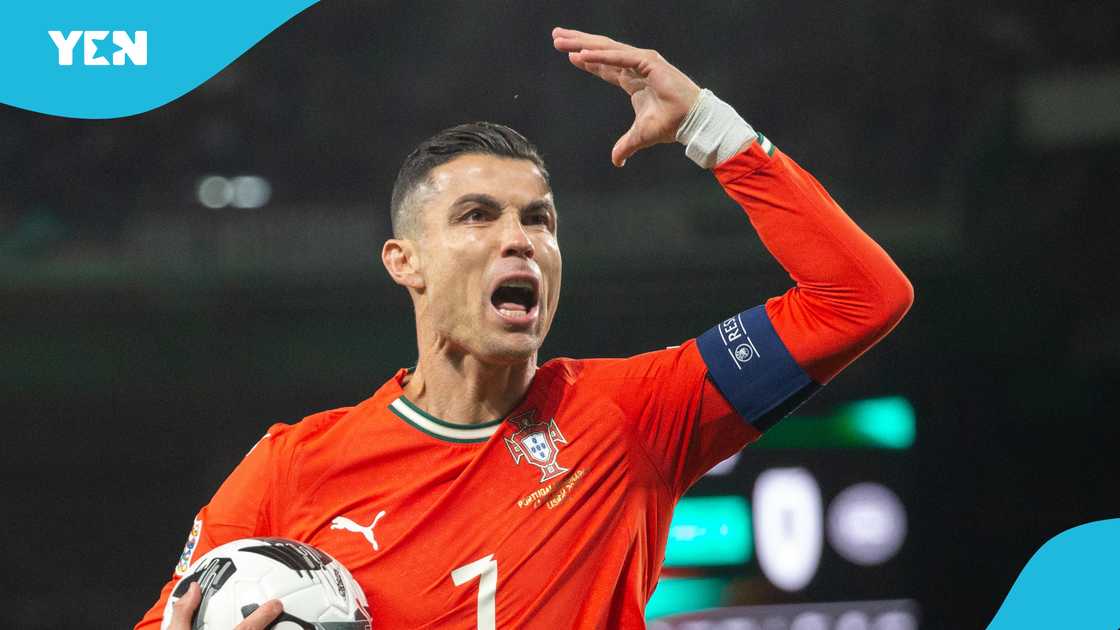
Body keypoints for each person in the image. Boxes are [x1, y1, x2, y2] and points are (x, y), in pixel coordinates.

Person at [139, 27, 913, 629]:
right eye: (478, 216)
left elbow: (859, 298)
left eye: (538, 220)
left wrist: (711, 128)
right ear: (404, 262)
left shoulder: (628, 417)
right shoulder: (293, 467)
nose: (521, 240)